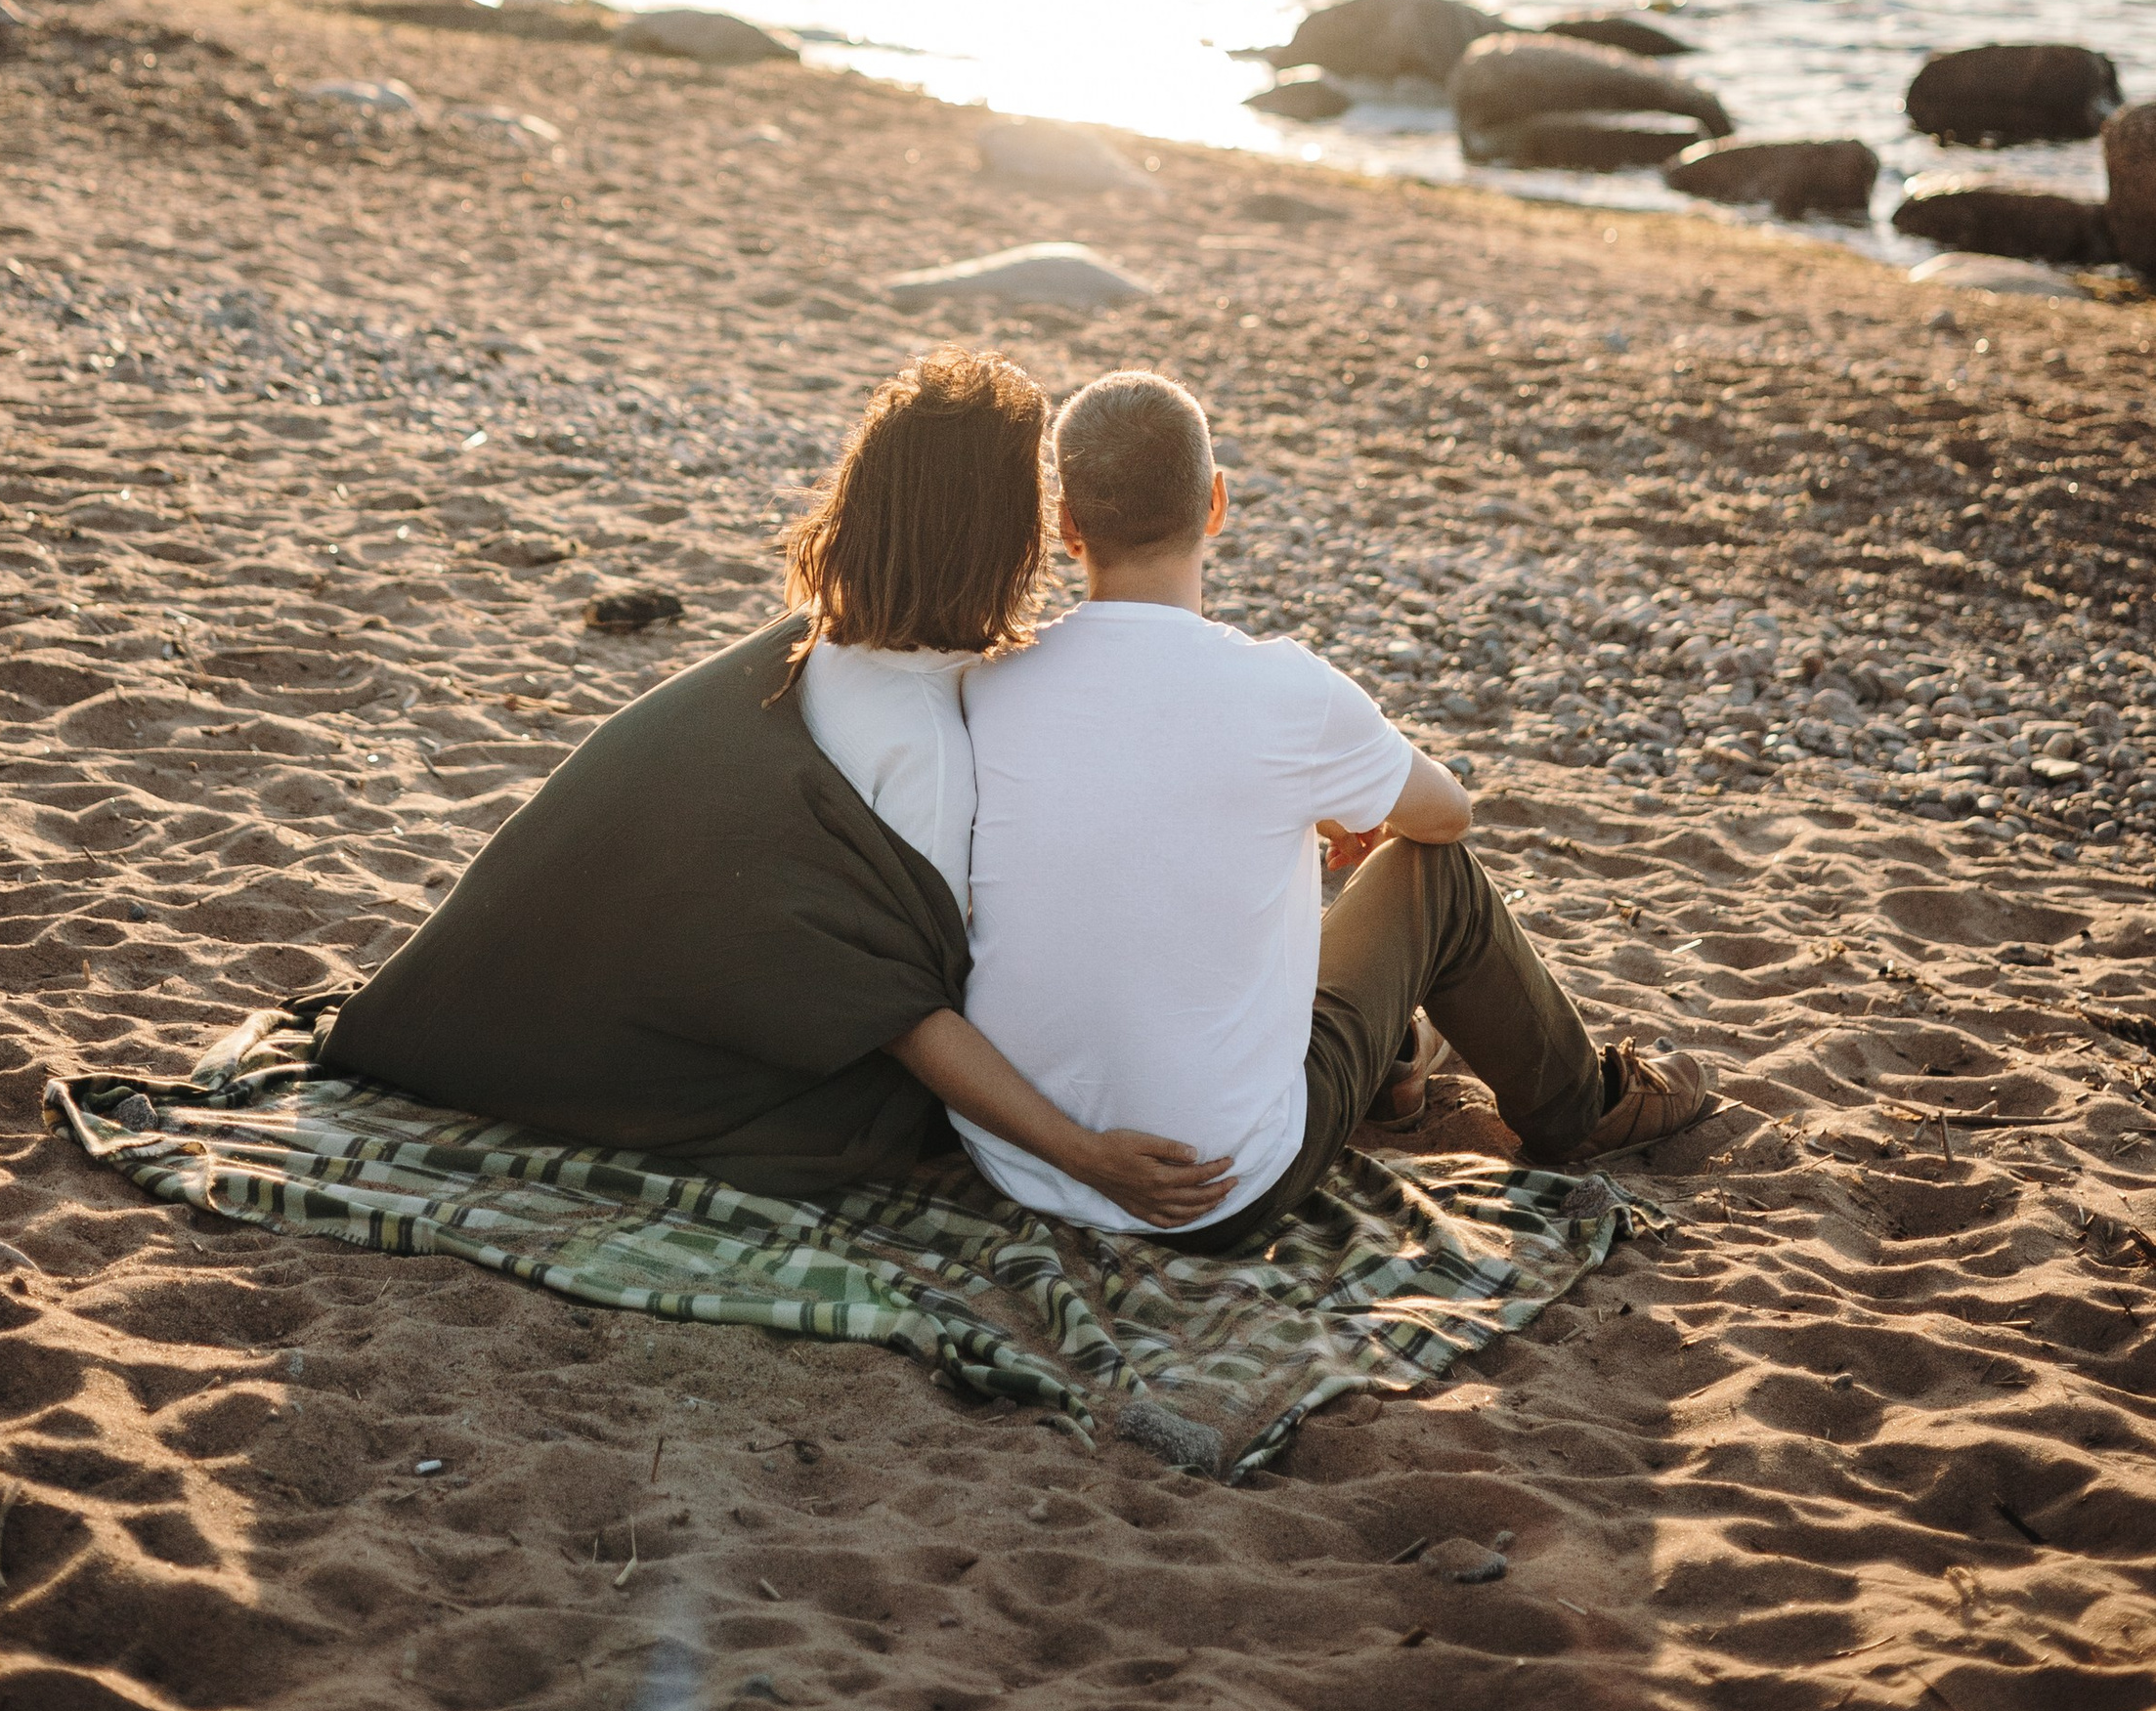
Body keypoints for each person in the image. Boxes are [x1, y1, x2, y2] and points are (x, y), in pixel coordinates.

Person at [319, 351, 1233, 1228]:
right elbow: (903, 1009)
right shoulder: (926, 742)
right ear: (1006, 535)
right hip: (770, 1078)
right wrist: (1081, 1152)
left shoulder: (826, 637)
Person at [956, 368, 1709, 1245]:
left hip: (1017, 1161)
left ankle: (1394, 1069)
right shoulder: (1286, 692)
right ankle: (1584, 1106)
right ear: (1216, 505)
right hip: (1219, 1184)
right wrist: (1340, 804)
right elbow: (1447, 815)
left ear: (1068, 525)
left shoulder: (988, 680)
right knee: (1434, 878)